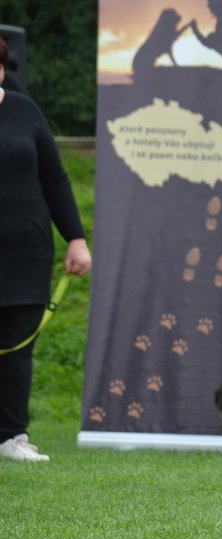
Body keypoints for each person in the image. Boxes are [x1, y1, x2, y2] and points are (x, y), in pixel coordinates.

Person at [0, 36, 93, 462]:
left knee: (18, 347)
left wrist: (75, 238)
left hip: (26, 253)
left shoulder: (26, 112)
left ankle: (11, 437)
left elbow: (55, 180)